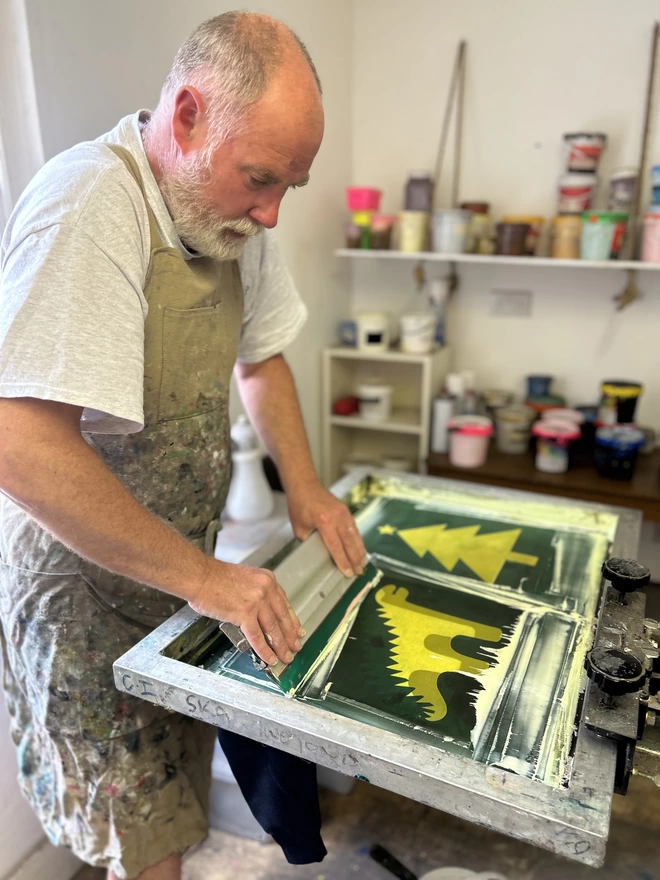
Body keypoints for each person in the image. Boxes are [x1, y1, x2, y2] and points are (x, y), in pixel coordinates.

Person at [0, 11, 365, 880]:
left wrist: (306, 489)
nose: (274, 211)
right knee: (145, 843)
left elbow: (263, 359)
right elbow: (18, 443)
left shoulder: (230, 216)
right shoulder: (89, 205)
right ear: (190, 114)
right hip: (81, 596)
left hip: (172, 579)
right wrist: (210, 580)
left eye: (290, 187)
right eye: (261, 179)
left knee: (174, 811)